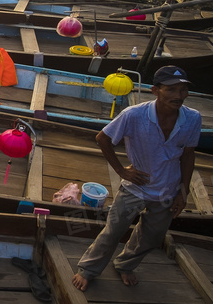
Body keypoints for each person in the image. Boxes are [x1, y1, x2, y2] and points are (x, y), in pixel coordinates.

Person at [71, 66, 200, 291]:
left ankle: (125, 264)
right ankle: (88, 269)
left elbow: (188, 155)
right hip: (135, 186)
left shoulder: (192, 119)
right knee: (114, 230)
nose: (178, 96)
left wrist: (183, 191)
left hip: (168, 190)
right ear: (155, 91)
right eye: (171, 90)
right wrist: (122, 171)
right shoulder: (134, 115)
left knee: (152, 235)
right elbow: (103, 138)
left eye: (183, 90)